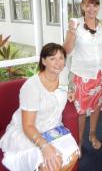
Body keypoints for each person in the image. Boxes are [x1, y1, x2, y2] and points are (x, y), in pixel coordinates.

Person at [0, 43, 79, 171]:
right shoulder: (31, 87)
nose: (58, 62)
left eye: (61, 58)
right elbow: (28, 126)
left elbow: (66, 85)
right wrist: (45, 147)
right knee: (52, 165)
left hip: (53, 128)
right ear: (43, 61)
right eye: (52, 58)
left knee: (74, 155)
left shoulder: (63, 73)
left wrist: (69, 91)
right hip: (30, 132)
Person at [63, 0, 102, 151]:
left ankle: (92, 134)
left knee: (97, 107)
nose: (92, 8)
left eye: (95, 5)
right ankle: (78, 141)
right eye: (88, 5)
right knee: (81, 111)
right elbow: (66, 49)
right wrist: (72, 32)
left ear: (98, 7)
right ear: (83, 7)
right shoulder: (76, 24)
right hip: (83, 75)